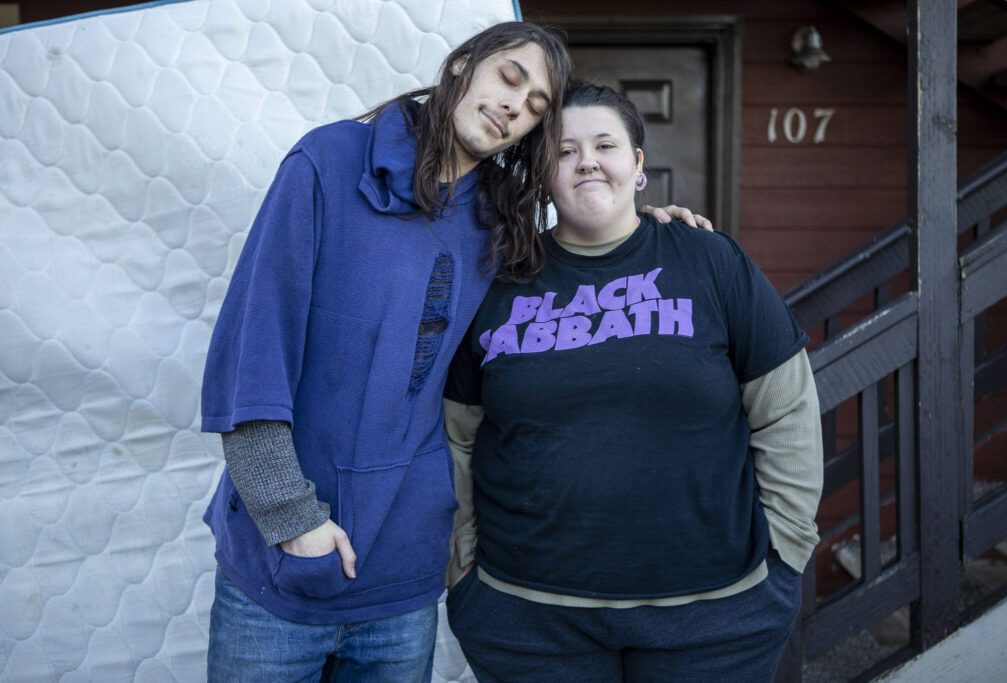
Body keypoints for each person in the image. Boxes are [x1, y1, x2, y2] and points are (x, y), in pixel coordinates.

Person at [200, 22, 708, 681]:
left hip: (403, 580)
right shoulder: (328, 162)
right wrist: (290, 518)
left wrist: (640, 233)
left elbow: (562, 297)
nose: (514, 105)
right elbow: (251, 352)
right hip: (280, 568)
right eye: (510, 77)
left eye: (535, 108)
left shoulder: (500, 223)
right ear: (464, 64)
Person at [443, 82, 823, 683]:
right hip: (527, 619)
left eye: (605, 145)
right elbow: (457, 438)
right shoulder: (497, 282)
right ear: (542, 173)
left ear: (638, 165)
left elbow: (786, 409)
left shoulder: (709, 261)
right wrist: (464, 567)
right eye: (563, 151)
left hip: (717, 619)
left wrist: (784, 553)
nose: (586, 160)